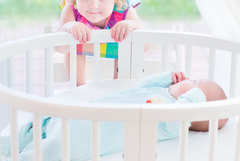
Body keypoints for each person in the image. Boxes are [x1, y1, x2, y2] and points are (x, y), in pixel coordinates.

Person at [1, 71, 228, 161]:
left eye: (196, 82)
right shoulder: (160, 92)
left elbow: (183, 112)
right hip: (76, 115)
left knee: (48, 151)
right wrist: (167, 77)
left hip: (85, 135)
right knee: (38, 125)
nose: (190, 78)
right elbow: (142, 83)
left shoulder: (172, 120)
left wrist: (196, 95)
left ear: (194, 101)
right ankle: (9, 145)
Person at [56, 0, 143, 86]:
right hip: (84, 46)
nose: (93, 6)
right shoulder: (71, 11)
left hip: (116, 47)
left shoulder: (123, 10)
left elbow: (146, 43)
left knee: (128, 49)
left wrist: (131, 24)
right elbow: (60, 48)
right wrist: (68, 27)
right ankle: (79, 88)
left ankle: (118, 88)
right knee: (72, 46)